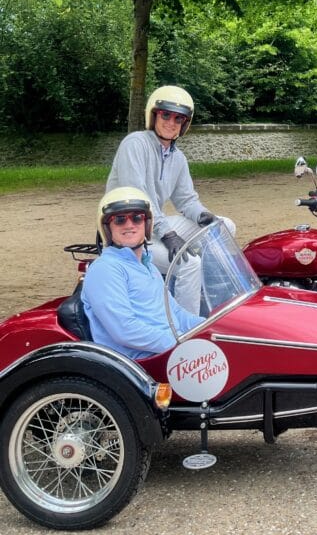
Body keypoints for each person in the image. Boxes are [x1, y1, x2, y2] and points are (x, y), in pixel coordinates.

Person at [106, 85, 235, 312]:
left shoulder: (178, 158)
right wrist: (168, 234)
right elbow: (139, 199)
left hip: (155, 228)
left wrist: (203, 215)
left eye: (178, 118)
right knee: (189, 264)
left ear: (184, 124)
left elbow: (186, 200)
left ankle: (204, 297)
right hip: (127, 233)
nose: (170, 122)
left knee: (225, 228)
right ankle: (186, 329)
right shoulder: (135, 144)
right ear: (154, 116)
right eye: (165, 115)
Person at [82, 187, 200, 360]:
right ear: (107, 228)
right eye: (119, 220)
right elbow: (124, 329)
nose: (129, 225)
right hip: (145, 361)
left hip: (170, 352)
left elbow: (176, 314)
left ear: (147, 224)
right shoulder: (106, 269)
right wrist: (179, 343)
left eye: (137, 217)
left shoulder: (147, 266)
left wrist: (212, 326)